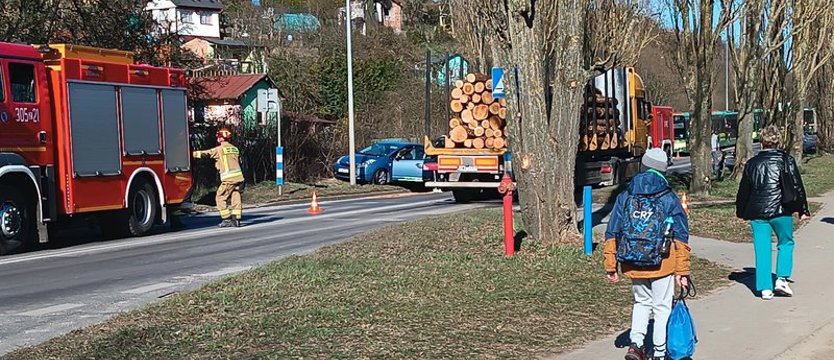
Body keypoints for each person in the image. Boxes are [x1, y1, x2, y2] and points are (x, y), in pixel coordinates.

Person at [604, 148, 691, 360]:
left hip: (632, 261)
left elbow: (612, 230)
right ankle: (660, 352)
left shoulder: (625, 195)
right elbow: (681, 236)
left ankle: (636, 344)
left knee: (641, 302)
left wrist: (610, 264)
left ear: (643, 165)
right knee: (661, 307)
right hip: (663, 262)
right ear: (663, 170)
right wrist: (682, 270)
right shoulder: (668, 198)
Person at [736, 125, 810, 300]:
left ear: (762, 142)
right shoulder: (787, 160)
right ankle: (781, 278)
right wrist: (803, 209)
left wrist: (741, 211)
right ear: (778, 141)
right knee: (786, 243)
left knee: (762, 249)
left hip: (757, 212)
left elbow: (744, 190)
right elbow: (797, 186)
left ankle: (765, 288)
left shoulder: (752, 163)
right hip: (781, 210)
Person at [193, 128, 244, 228]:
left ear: (221, 139)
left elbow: (206, 153)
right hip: (239, 178)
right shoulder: (235, 149)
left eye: (218, 137)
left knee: (220, 198)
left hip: (229, 179)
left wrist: (191, 154)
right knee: (235, 196)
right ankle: (236, 219)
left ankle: (226, 219)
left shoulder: (219, 149)